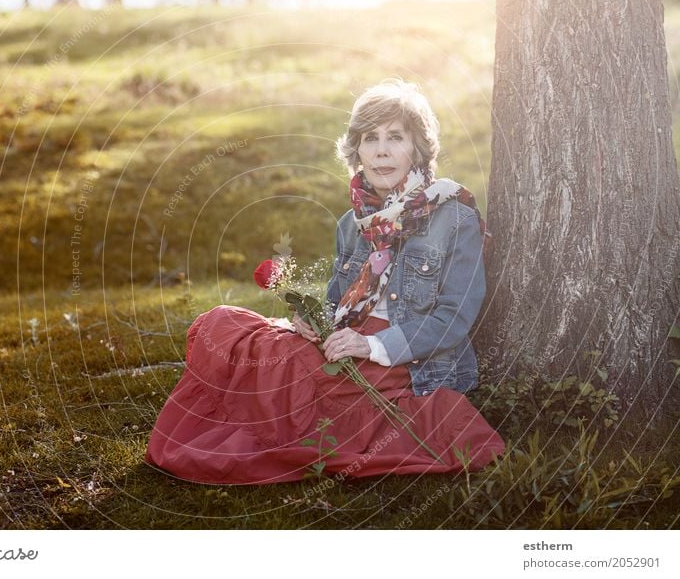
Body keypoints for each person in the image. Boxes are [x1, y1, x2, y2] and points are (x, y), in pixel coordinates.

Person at [145, 79, 504, 485]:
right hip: (346, 342)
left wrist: (369, 344)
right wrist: (317, 323)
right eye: (370, 139)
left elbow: (452, 319)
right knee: (225, 325)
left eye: (395, 137)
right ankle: (261, 419)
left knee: (292, 376)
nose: (381, 150)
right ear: (357, 151)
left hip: (407, 358)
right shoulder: (352, 224)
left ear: (418, 148)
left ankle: (263, 432)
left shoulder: (452, 217)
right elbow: (339, 303)